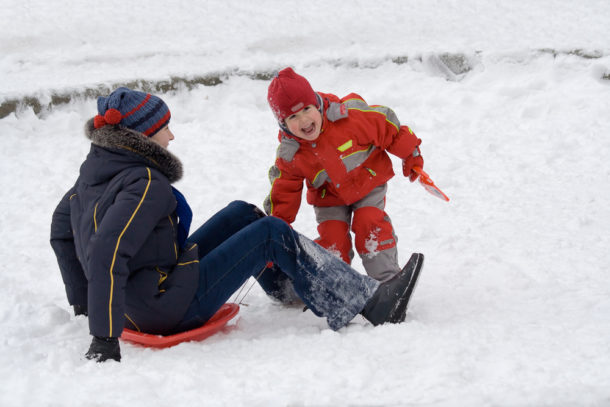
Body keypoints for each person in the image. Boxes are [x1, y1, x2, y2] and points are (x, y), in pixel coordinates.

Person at [50, 87, 424, 363]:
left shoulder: (94, 173)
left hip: (151, 290)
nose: (171, 136)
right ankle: (370, 304)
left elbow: (61, 230)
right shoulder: (143, 183)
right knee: (269, 232)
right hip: (165, 309)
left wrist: (84, 303)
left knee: (242, 213)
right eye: (165, 128)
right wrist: (103, 336)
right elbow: (106, 252)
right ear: (143, 136)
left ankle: (285, 286)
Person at [264, 67, 425, 283]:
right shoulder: (290, 153)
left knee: (370, 223)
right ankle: (335, 288)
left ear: (317, 104)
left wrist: (411, 154)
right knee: (333, 239)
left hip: (366, 182)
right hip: (328, 198)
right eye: (293, 116)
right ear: (283, 123)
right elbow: (284, 191)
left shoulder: (349, 117)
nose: (303, 121)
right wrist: (277, 228)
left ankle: (387, 281)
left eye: (307, 109)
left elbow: (387, 127)